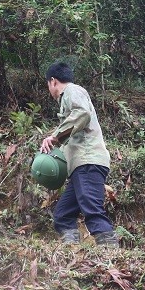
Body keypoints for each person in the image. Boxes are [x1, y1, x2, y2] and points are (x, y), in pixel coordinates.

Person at [40, 62, 118, 247]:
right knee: (63, 214)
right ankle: (70, 250)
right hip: (79, 166)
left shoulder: (73, 91)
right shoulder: (68, 99)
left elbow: (82, 113)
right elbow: (73, 127)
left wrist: (55, 136)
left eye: (47, 85)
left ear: (53, 81)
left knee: (92, 209)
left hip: (88, 161)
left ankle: (111, 254)